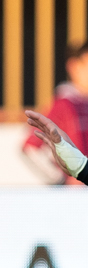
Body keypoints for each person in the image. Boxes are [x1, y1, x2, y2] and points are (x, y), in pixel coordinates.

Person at [22, 43, 88, 185]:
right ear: (74, 67)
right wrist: (62, 181)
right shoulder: (64, 104)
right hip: (76, 197)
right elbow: (30, 148)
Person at [25, 108, 88, 184]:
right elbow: (30, 147)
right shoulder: (66, 105)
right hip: (76, 184)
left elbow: (30, 147)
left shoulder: (66, 105)